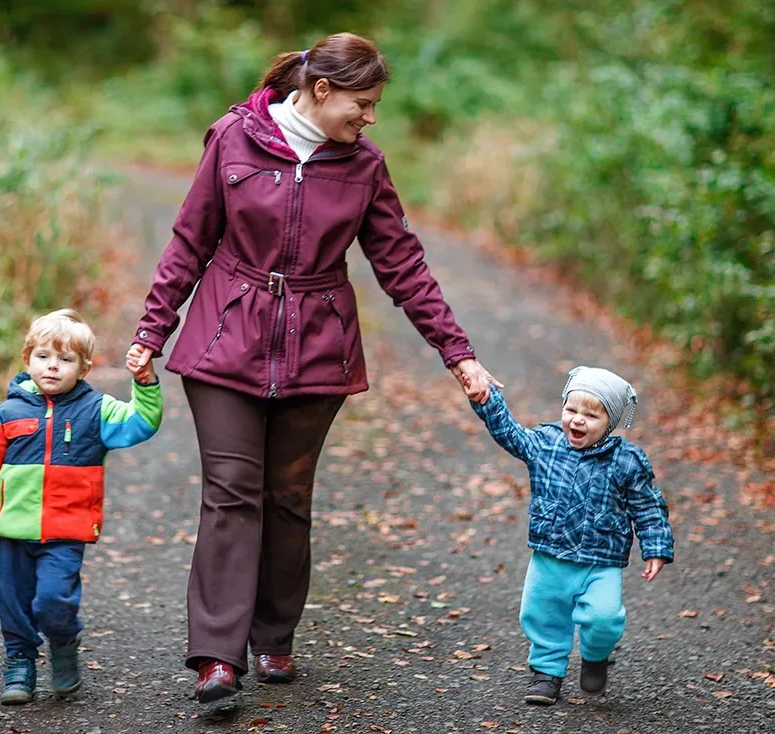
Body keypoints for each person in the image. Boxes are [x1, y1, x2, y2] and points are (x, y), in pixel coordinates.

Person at [125, 32, 500, 702]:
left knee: (288, 498)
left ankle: (274, 639)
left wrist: (458, 354)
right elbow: (190, 238)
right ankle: (217, 656)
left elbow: (403, 265)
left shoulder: (365, 166)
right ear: (321, 90)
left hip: (317, 346)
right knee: (231, 494)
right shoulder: (234, 140)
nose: (371, 117)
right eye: (363, 102)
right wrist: (154, 329)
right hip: (224, 339)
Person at [0, 309, 162, 705]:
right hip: (12, 528)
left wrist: (145, 384)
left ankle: (63, 643)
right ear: (27, 359)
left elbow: (141, 423)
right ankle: (19, 663)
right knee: (11, 602)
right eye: (44, 356)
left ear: (83, 368)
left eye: (66, 360)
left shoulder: (97, 411)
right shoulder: (7, 414)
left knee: (53, 600)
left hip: (66, 530)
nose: (53, 367)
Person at [469, 366, 674, 705]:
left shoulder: (626, 461)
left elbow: (648, 506)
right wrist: (489, 400)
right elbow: (509, 433)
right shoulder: (545, 445)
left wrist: (655, 547)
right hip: (550, 555)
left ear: (610, 423)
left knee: (604, 618)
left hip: (601, 562)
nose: (577, 420)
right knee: (542, 614)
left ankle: (595, 656)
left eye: (591, 415)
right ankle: (547, 673)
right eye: (571, 410)